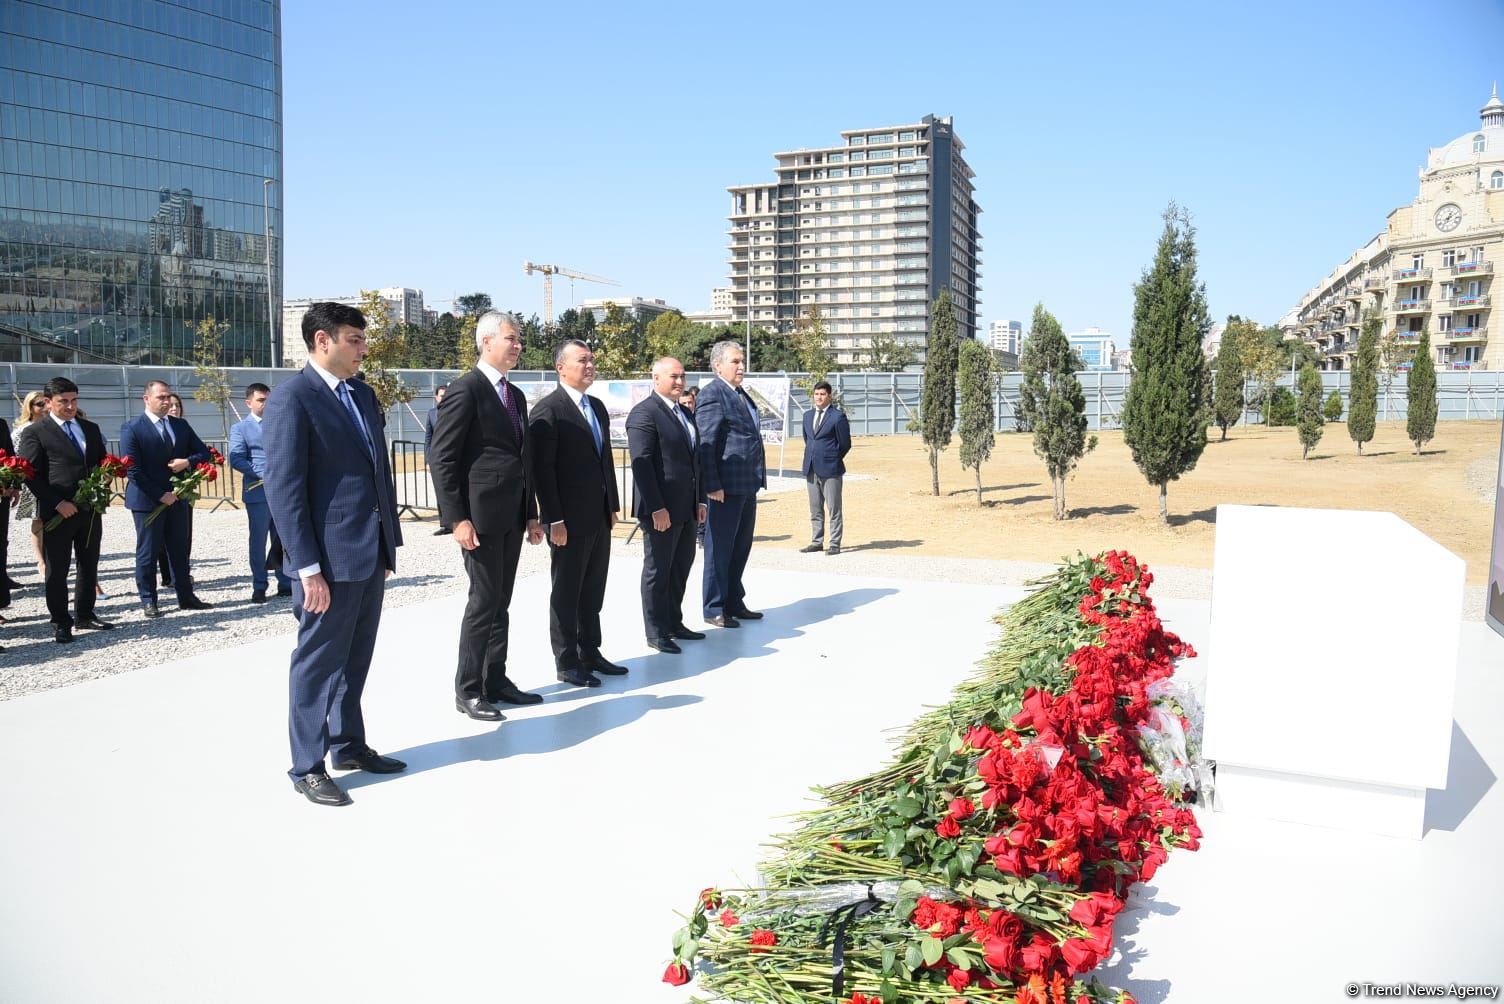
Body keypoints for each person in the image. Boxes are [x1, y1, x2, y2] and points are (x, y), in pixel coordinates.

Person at [263, 302, 406, 807]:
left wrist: (388, 538)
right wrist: (306, 569)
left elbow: (375, 472)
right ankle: (306, 765)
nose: (363, 348)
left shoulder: (362, 395)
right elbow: (285, 492)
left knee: (355, 658)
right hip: (325, 561)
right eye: (354, 339)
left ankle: (348, 745)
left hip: (369, 553)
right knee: (318, 662)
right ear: (322, 341)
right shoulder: (292, 400)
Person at [429, 311, 545, 721]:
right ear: (486, 342)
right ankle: (469, 689)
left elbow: (521, 457)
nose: (517, 346)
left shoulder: (513, 395)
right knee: (483, 602)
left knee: (502, 601)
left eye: (519, 340)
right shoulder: (467, 390)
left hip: (511, 516)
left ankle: (495, 679)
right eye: (511, 339)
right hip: (478, 518)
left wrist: (531, 513)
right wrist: (456, 518)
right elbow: (442, 458)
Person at [528, 339, 625, 687]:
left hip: (597, 516)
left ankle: (590, 651)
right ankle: (567, 660)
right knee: (567, 592)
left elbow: (605, 461)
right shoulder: (548, 411)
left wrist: (611, 505)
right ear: (560, 367)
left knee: (593, 589)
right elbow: (543, 472)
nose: (589, 365)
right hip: (567, 521)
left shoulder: (596, 407)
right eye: (582, 360)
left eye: (592, 360)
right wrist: (553, 519)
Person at [17, 377, 113, 643]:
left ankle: (85, 613)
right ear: (48, 403)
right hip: (58, 511)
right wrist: (57, 502)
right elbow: (30, 474)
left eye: (73, 400)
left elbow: (102, 462)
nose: (70, 406)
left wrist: (105, 477)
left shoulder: (90, 429)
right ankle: (60, 620)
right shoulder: (35, 432)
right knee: (57, 568)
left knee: (89, 562)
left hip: (89, 509)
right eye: (63, 402)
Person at [627, 357, 707, 654]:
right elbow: (643, 466)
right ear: (656, 377)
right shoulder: (644, 413)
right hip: (661, 511)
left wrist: (699, 500)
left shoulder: (684, 413)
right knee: (658, 571)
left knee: (680, 567)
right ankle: (656, 630)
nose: (679, 382)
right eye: (673, 376)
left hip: (686, 508)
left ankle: (674, 621)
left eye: (682, 376)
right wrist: (656, 507)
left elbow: (694, 461)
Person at [120, 380, 215, 617]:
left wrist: (187, 462)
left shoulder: (179, 425)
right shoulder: (132, 428)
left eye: (168, 397)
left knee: (179, 549)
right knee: (148, 552)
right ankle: (149, 600)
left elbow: (203, 452)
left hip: (177, 498)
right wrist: (160, 495)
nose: (166, 401)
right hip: (148, 500)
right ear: (146, 399)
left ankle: (186, 596)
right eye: (161, 397)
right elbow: (133, 471)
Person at [695, 340, 766, 628]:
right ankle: (714, 607)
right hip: (724, 487)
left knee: (740, 547)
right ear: (718, 365)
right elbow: (706, 443)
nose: (741, 366)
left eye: (742, 361)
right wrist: (712, 484)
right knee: (719, 548)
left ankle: (734, 601)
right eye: (735, 361)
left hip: (746, 484)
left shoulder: (740, 394)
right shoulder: (713, 394)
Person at [229, 382, 291, 603]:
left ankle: (285, 582)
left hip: (283, 492)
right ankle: (259, 585)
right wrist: (262, 473)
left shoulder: (281, 424)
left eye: (269, 399)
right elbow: (236, 457)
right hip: (258, 492)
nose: (266, 404)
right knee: (258, 541)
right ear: (249, 403)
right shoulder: (240, 429)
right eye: (261, 400)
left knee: (284, 538)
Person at [799, 380, 853, 556]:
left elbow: (845, 444)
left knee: (834, 508)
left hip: (831, 469)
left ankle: (835, 543)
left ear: (829, 396)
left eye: (822, 394)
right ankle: (817, 541)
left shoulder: (837, 417)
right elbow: (808, 440)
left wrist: (832, 458)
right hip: (811, 467)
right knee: (815, 508)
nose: (819, 397)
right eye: (816, 394)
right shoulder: (807, 416)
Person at [13, 390, 48, 578]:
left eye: (45, 403)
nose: (43, 408)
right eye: (39, 404)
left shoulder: (53, 427)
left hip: (51, 480)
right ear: (30, 407)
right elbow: (15, 457)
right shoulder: (22, 431)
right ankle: (40, 559)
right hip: (31, 482)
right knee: (38, 520)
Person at [425, 384, 452, 536]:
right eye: (442, 395)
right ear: (436, 397)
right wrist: (429, 460)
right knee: (441, 490)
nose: (444, 398)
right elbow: (428, 439)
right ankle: (445, 524)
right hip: (438, 460)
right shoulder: (431, 414)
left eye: (446, 395)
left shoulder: (457, 411)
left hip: (456, 458)